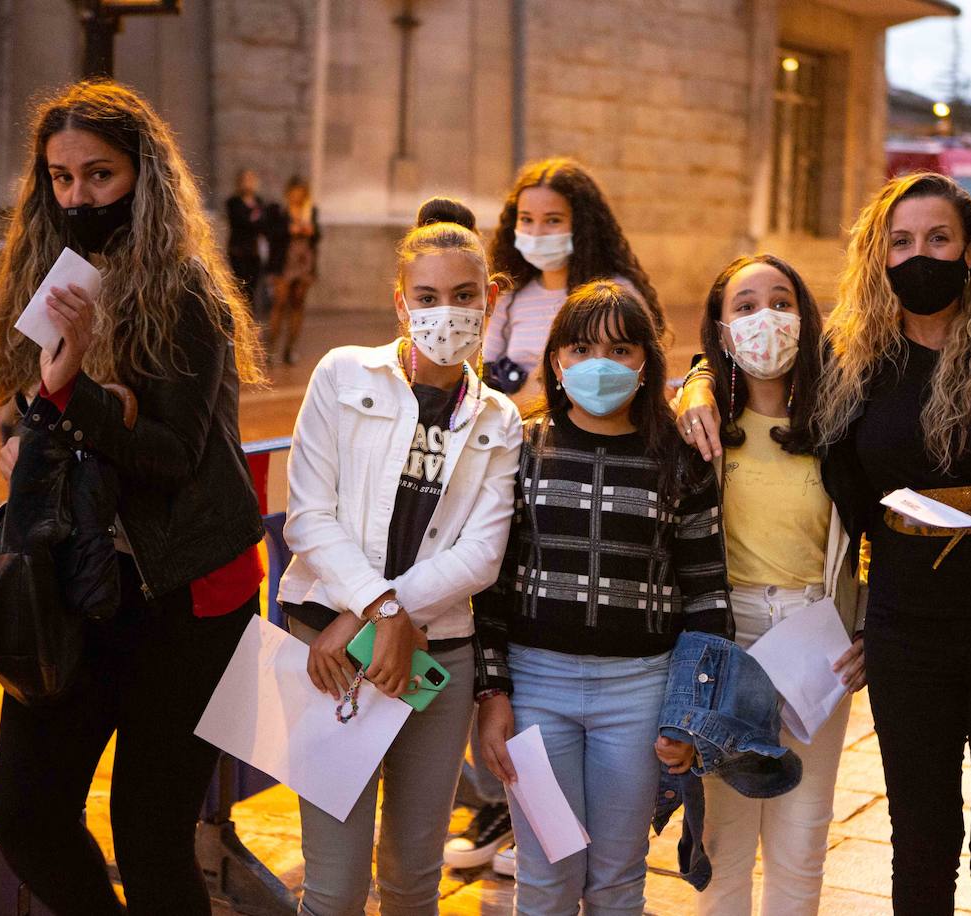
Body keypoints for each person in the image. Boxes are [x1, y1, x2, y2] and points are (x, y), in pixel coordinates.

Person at [676, 170, 971, 914]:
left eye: (939, 238)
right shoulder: (855, 363)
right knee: (920, 842)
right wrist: (690, 383)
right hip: (907, 636)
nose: (921, 255)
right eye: (901, 241)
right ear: (878, 258)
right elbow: (747, 368)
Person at [0, 79, 267, 916]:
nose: (78, 196)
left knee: (151, 834)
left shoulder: (186, 294)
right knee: (24, 812)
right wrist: (28, 429)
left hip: (186, 598)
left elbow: (173, 457)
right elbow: (23, 420)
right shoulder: (48, 273)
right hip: (75, 587)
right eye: (60, 178)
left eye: (99, 175)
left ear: (145, 174)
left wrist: (75, 395)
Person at [277, 196, 523, 915]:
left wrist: (380, 619)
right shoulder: (342, 375)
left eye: (464, 296)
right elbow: (308, 517)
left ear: (490, 298)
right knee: (334, 882)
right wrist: (377, 612)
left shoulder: (500, 419)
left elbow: (482, 554)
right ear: (400, 302)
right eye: (427, 297)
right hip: (327, 652)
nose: (446, 312)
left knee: (415, 877)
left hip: (435, 663)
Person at [473, 280, 733, 915]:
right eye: (582, 348)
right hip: (538, 690)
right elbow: (491, 585)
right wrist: (492, 691)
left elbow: (706, 591)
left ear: (647, 361)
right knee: (546, 876)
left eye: (620, 349)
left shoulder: (679, 455)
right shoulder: (521, 449)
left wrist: (689, 714)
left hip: (639, 694)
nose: (600, 364)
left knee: (618, 881)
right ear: (556, 361)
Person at [683, 254, 865, 915]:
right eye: (746, 305)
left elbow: (872, 538)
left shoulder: (841, 424)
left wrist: (867, 625)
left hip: (818, 645)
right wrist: (694, 383)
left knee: (802, 837)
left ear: (805, 316)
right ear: (722, 330)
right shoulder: (699, 428)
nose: (767, 318)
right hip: (725, 647)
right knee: (724, 844)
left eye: (782, 300)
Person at [484, 157, 665, 406]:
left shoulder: (619, 293)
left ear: (582, 225)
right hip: (521, 433)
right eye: (526, 219)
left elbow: (647, 372)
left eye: (553, 220)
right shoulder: (509, 297)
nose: (536, 233)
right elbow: (482, 374)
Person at [266, 175, 321, 365]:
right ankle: (270, 348)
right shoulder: (279, 210)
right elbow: (270, 233)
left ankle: (290, 349)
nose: (298, 196)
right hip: (285, 261)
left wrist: (311, 231)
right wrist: (289, 230)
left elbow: (317, 236)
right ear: (289, 192)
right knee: (279, 304)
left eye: (301, 192)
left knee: (298, 304)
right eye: (295, 192)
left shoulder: (310, 211)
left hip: (304, 261)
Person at [225, 168, 266, 309]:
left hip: (254, 251)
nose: (249, 183)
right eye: (246, 180)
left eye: (251, 179)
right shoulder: (233, 202)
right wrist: (253, 219)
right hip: (239, 250)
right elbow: (240, 222)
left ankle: (250, 322)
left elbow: (263, 224)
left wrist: (253, 220)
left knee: (252, 290)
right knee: (240, 287)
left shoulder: (259, 201)